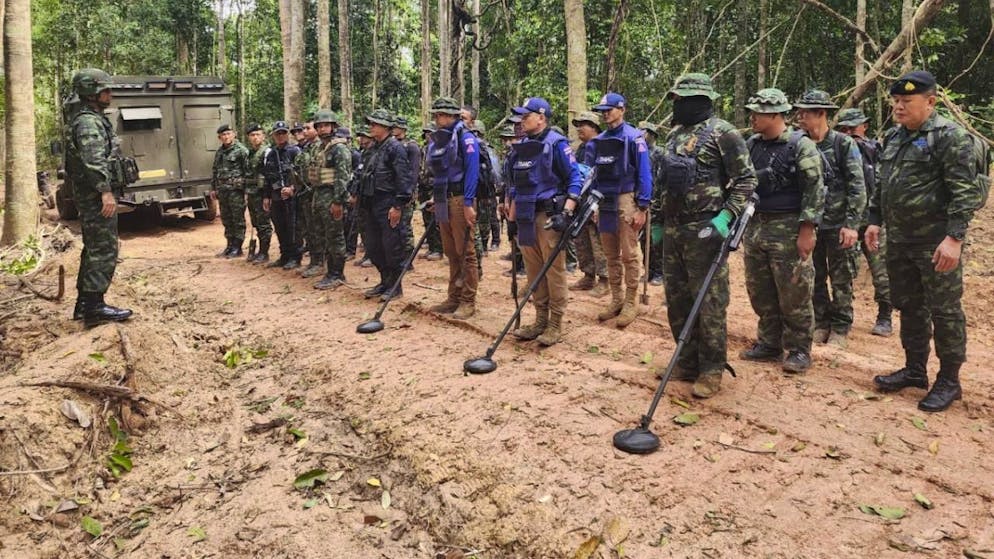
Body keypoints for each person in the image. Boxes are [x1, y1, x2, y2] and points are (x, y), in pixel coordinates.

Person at [865, 70, 986, 412]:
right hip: (900, 240)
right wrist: (874, 220)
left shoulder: (950, 137)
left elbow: (963, 193)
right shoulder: (893, 136)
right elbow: (883, 184)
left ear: (930, 102)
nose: (899, 107)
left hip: (935, 242)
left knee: (945, 311)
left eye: (907, 101)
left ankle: (949, 380)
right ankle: (915, 369)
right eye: (896, 101)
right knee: (909, 305)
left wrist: (954, 238)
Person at [657, 73, 758, 398]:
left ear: (701, 101)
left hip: (706, 228)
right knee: (677, 297)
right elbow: (666, 183)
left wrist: (726, 216)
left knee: (710, 302)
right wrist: (659, 221)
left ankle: (712, 368)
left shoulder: (723, 133)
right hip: (675, 229)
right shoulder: (674, 135)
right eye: (677, 99)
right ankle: (686, 361)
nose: (678, 105)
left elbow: (746, 179)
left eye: (683, 100)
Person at [740, 88, 825, 374]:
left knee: (795, 291)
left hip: (789, 227)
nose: (752, 117)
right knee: (760, 289)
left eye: (758, 113)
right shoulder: (752, 144)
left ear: (776, 115)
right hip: (756, 226)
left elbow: (814, 190)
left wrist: (807, 229)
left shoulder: (801, 145)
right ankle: (769, 342)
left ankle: (799, 349)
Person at [506, 97, 583, 346]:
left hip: (548, 216)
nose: (522, 121)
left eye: (526, 116)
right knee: (533, 270)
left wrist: (568, 211)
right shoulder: (522, 146)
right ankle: (539, 319)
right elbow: (516, 184)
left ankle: (555, 323)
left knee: (554, 271)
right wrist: (511, 214)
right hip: (526, 215)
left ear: (541, 117)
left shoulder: (557, 144)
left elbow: (574, 178)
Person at [794, 90, 866, 349]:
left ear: (822, 114)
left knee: (841, 276)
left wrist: (851, 224)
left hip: (838, 223)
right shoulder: (799, 143)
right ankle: (821, 322)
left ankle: (841, 327)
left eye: (806, 113)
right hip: (811, 223)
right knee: (814, 275)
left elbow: (857, 186)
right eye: (799, 112)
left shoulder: (843, 144)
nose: (800, 117)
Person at [65, 68, 133, 327]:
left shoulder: (91, 118)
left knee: (94, 248)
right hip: (95, 195)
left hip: (91, 193)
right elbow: (93, 161)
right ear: (91, 93)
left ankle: (85, 305)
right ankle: (95, 308)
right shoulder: (88, 123)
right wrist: (105, 191)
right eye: (105, 89)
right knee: (104, 248)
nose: (110, 93)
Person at [588, 92, 653, 328]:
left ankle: (631, 300)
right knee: (610, 252)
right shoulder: (599, 140)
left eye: (610, 109)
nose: (606, 114)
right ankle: (616, 298)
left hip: (627, 197)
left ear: (622, 109)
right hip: (604, 199)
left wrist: (642, 206)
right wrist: (594, 204)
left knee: (629, 253)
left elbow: (644, 173)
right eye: (603, 110)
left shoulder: (634, 138)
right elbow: (594, 174)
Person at [836, 108, 893, 336]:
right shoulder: (837, 150)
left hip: (872, 220)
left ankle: (885, 315)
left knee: (881, 270)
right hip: (846, 218)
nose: (850, 133)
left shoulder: (877, 150)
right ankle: (842, 317)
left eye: (854, 128)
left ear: (865, 126)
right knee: (844, 270)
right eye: (845, 129)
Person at [426, 97, 481, 319]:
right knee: (450, 251)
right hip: (442, 198)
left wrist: (468, 202)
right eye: (437, 115)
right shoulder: (438, 140)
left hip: (460, 199)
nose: (439, 119)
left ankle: (468, 300)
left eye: (442, 115)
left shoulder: (466, 138)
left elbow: (472, 171)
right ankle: (453, 297)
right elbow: (439, 172)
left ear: (453, 116)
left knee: (465, 251)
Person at [357, 109, 413, 301]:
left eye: (375, 124)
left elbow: (403, 178)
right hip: (371, 203)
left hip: (388, 202)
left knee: (392, 247)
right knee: (373, 246)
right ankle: (384, 281)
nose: (371, 127)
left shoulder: (395, 148)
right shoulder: (372, 148)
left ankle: (395, 286)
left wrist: (398, 205)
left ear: (386, 127)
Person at [305, 109, 353, 290]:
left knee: (335, 237)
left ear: (333, 126)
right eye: (320, 126)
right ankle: (329, 271)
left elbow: (342, 177)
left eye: (326, 125)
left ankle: (337, 273)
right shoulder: (319, 147)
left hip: (332, 197)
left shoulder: (339, 148)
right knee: (322, 236)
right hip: (318, 195)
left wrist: (338, 202)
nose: (323, 129)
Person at [568, 111, 609, 296]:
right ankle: (588, 274)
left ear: (593, 127)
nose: (578, 130)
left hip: (596, 199)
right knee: (582, 239)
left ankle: (604, 279)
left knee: (597, 239)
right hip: (581, 200)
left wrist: (599, 203)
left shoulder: (602, 145)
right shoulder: (581, 148)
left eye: (582, 125)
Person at [262, 121, 303, 269]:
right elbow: (267, 176)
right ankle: (284, 255)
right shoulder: (271, 154)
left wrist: (292, 188)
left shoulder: (295, 151)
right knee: (279, 227)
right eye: (277, 133)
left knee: (292, 227)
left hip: (291, 197)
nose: (280, 136)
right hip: (276, 196)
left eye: (283, 133)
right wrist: (266, 196)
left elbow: (302, 174)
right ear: (273, 135)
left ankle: (295, 256)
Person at [210, 123, 250, 258]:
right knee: (226, 219)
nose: (226, 137)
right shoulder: (220, 152)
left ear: (234, 134)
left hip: (236, 191)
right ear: (219, 137)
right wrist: (213, 188)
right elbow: (215, 171)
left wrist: (246, 190)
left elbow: (248, 171)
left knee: (237, 218)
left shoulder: (241, 151)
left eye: (228, 134)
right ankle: (230, 244)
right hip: (223, 191)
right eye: (223, 135)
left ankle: (237, 247)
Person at [392, 116, 422, 265]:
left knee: (404, 226)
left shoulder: (412, 147)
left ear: (403, 129)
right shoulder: (391, 145)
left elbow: (414, 171)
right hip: (393, 191)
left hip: (406, 191)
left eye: (396, 127)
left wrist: (409, 192)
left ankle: (408, 259)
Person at [639, 120, 666, 286]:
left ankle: (659, 272)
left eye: (645, 132)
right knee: (644, 240)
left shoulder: (660, 153)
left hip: (657, 202)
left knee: (656, 238)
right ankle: (648, 269)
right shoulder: (639, 153)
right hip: (643, 201)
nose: (642, 135)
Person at [244, 123, 274, 264]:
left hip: (262, 193)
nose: (255, 137)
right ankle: (258, 251)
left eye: (258, 134)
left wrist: (267, 195)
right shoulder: (250, 153)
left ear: (263, 136)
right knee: (256, 222)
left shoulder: (267, 152)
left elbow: (269, 174)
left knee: (263, 223)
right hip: (252, 193)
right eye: (252, 135)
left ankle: (264, 252)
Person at [472, 121, 502, 256]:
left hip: (487, 188)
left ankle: (492, 241)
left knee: (489, 216)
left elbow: (495, 170)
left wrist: (496, 186)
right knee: (482, 216)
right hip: (476, 188)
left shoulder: (487, 149)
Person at [295, 120, 321, 277]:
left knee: (317, 230)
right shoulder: (306, 148)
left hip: (315, 194)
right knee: (308, 230)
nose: (304, 131)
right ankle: (313, 261)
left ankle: (320, 262)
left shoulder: (320, 147)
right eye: (303, 128)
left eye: (307, 128)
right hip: (304, 194)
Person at [417, 124, 444, 261]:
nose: (428, 136)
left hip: (435, 188)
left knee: (437, 220)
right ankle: (432, 247)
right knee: (426, 218)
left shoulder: (440, 150)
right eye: (426, 133)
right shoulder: (424, 149)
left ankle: (439, 249)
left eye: (431, 133)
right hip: (423, 188)